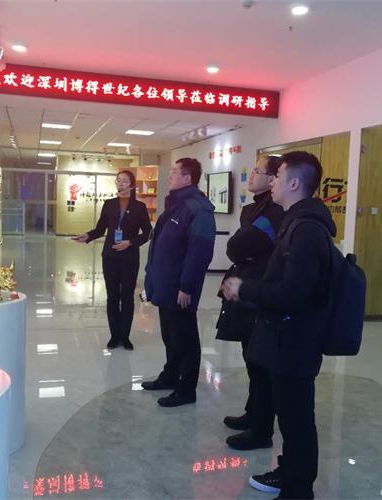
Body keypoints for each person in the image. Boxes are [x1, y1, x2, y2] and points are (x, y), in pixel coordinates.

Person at [222, 151, 334, 499]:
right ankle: (289, 472)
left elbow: (292, 294)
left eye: (278, 175)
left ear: (295, 183)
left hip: (295, 341)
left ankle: (298, 488)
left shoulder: (306, 230)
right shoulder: (293, 222)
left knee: (297, 418)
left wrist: (245, 289)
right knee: (288, 414)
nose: (272, 181)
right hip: (284, 338)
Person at [216, 156, 284, 451]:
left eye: (258, 170)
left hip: (261, 294)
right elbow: (240, 245)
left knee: (260, 363)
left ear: (274, 179)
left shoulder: (273, 212)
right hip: (251, 290)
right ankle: (253, 412)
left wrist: (240, 247)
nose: (252, 174)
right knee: (251, 357)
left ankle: (261, 429)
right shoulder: (255, 208)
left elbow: (238, 246)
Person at [141, 158, 216, 408]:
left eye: (174, 172)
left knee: (185, 338)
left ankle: (186, 389)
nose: (170, 175)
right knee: (170, 336)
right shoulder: (175, 205)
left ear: (187, 178)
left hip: (179, 288)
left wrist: (187, 286)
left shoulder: (198, 209)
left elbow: (200, 252)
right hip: (165, 285)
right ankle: (170, 375)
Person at [75, 170, 152, 350]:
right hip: (110, 257)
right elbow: (100, 229)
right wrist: (87, 236)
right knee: (112, 297)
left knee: (127, 297)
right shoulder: (109, 204)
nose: (120, 183)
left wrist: (130, 242)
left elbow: (148, 232)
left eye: (124, 181)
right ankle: (114, 335)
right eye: (118, 180)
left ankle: (125, 336)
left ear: (132, 185)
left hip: (129, 257)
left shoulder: (139, 207)